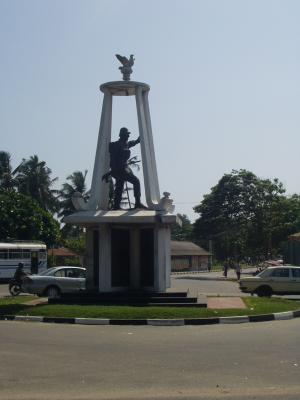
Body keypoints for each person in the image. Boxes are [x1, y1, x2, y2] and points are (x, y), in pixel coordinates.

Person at [109, 127, 146, 210]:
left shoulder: (125, 144)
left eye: (128, 135)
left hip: (124, 168)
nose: (128, 136)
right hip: (120, 169)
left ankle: (116, 205)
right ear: (122, 135)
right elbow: (113, 159)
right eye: (127, 134)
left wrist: (137, 140)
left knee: (119, 186)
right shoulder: (116, 145)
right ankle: (137, 203)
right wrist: (113, 170)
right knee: (136, 181)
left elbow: (131, 143)